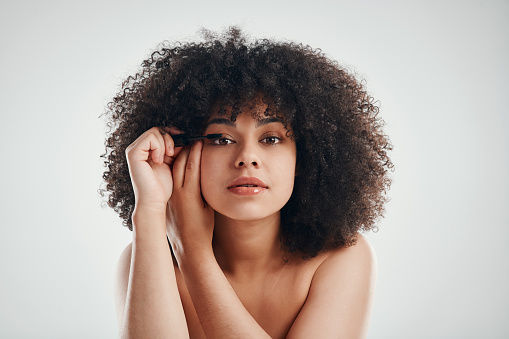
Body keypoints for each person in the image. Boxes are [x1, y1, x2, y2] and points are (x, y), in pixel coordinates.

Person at [101, 27, 393, 338]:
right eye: (221, 139)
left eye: (271, 138)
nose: (247, 157)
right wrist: (149, 209)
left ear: (304, 158)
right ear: (180, 149)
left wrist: (194, 253)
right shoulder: (145, 259)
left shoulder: (341, 256)